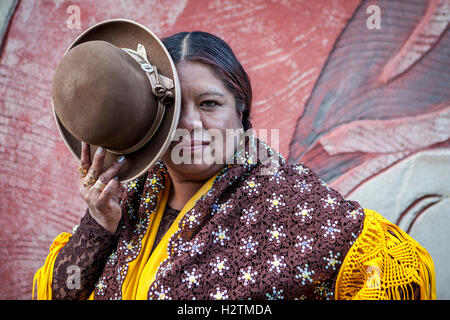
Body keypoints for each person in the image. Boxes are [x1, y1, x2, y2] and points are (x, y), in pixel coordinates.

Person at [33, 30, 435, 300]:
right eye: (173, 108)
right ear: (150, 117)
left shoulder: (285, 201)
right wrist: (98, 224)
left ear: (240, 111)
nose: (190, 124)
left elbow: (399, 267)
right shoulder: (128, 199)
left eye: (210, 104)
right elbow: (60, 293)